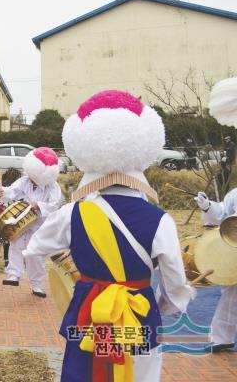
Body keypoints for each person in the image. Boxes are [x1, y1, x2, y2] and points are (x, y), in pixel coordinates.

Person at [24, 90, 195, 381]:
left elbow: (34, 249)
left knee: (91, 373)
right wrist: (162, 305)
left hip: (91, 313)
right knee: (137, 375)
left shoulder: (71, 213)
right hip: (138, 314)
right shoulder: (161, 220)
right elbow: (175, 286)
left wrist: (70, 275)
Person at [0, 147, 62, 297]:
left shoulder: (53, 186)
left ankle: (36, 285)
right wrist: (3, 191)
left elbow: (55, 204)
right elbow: (13, 190)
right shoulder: (25, 181)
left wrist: (38, 205)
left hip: (39, 223)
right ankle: (13, 275)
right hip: (22, 219)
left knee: (35, 253)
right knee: (15, 244)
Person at [195, 191, 237, 352]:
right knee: (231, 294)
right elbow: (222, 215)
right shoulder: (235, 193)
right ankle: (221, 338)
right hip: (234, 248)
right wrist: (207, 206)